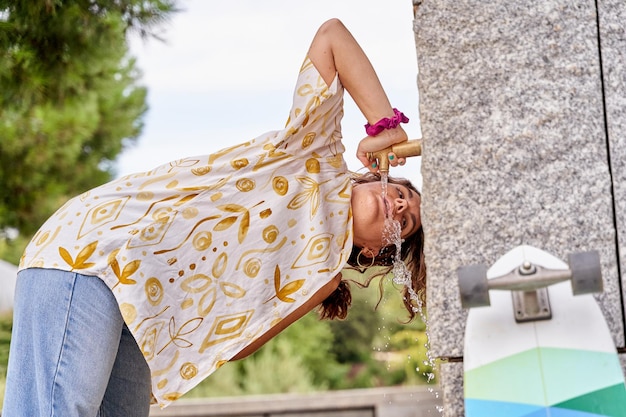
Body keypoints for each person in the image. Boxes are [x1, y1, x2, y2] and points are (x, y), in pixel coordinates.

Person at [2, 18, 424, 417]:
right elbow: (332, 37)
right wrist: (384, 125)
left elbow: (235, 344)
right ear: (374, 177)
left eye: (405, 223)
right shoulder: (315, 156)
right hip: (95, 250)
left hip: (148, 315)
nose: (402, 205)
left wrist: (305, 289)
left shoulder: (321, 276)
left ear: (376, 249)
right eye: (402, 191)